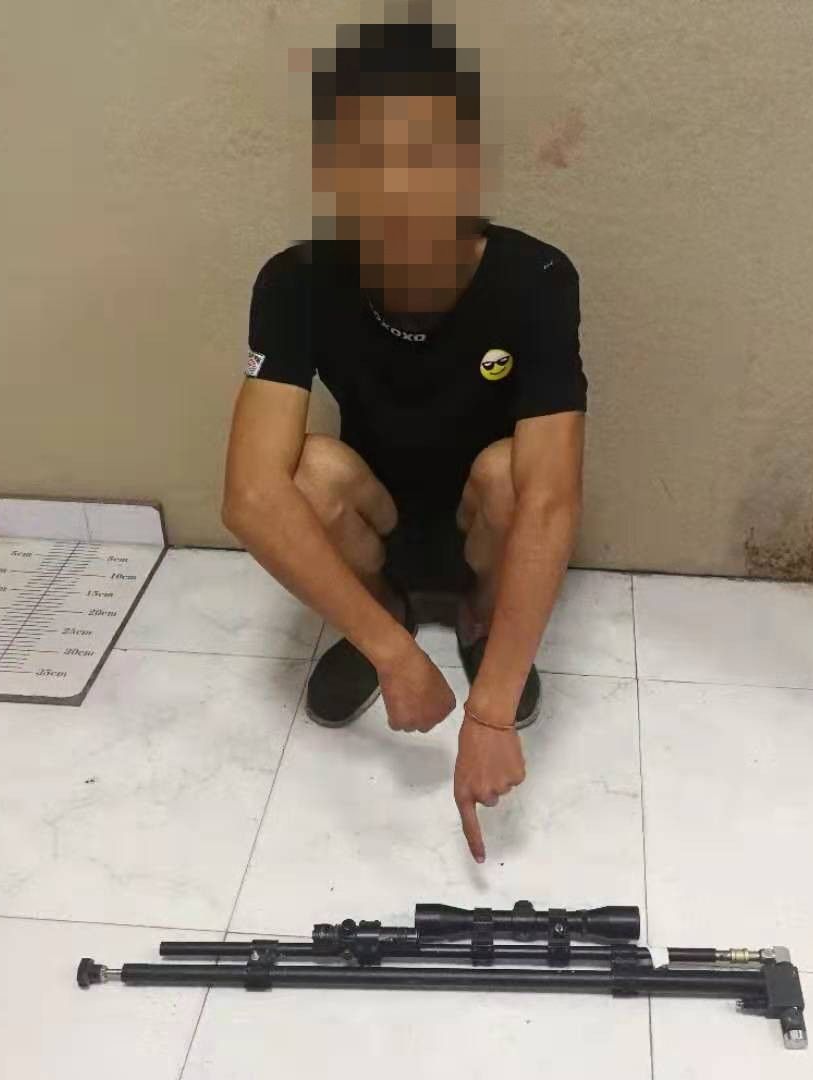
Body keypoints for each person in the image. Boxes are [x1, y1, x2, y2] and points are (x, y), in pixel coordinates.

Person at [222, 15, 586, 864]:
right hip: (374, 529)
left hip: (483, 529)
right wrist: (390, 653)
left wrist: (488, 712)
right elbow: (249, 496)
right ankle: (380, 617)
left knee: (512, 474)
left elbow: (550, 496)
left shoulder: (536, 277)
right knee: (305, 471)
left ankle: (479, 622)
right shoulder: (297, 280)